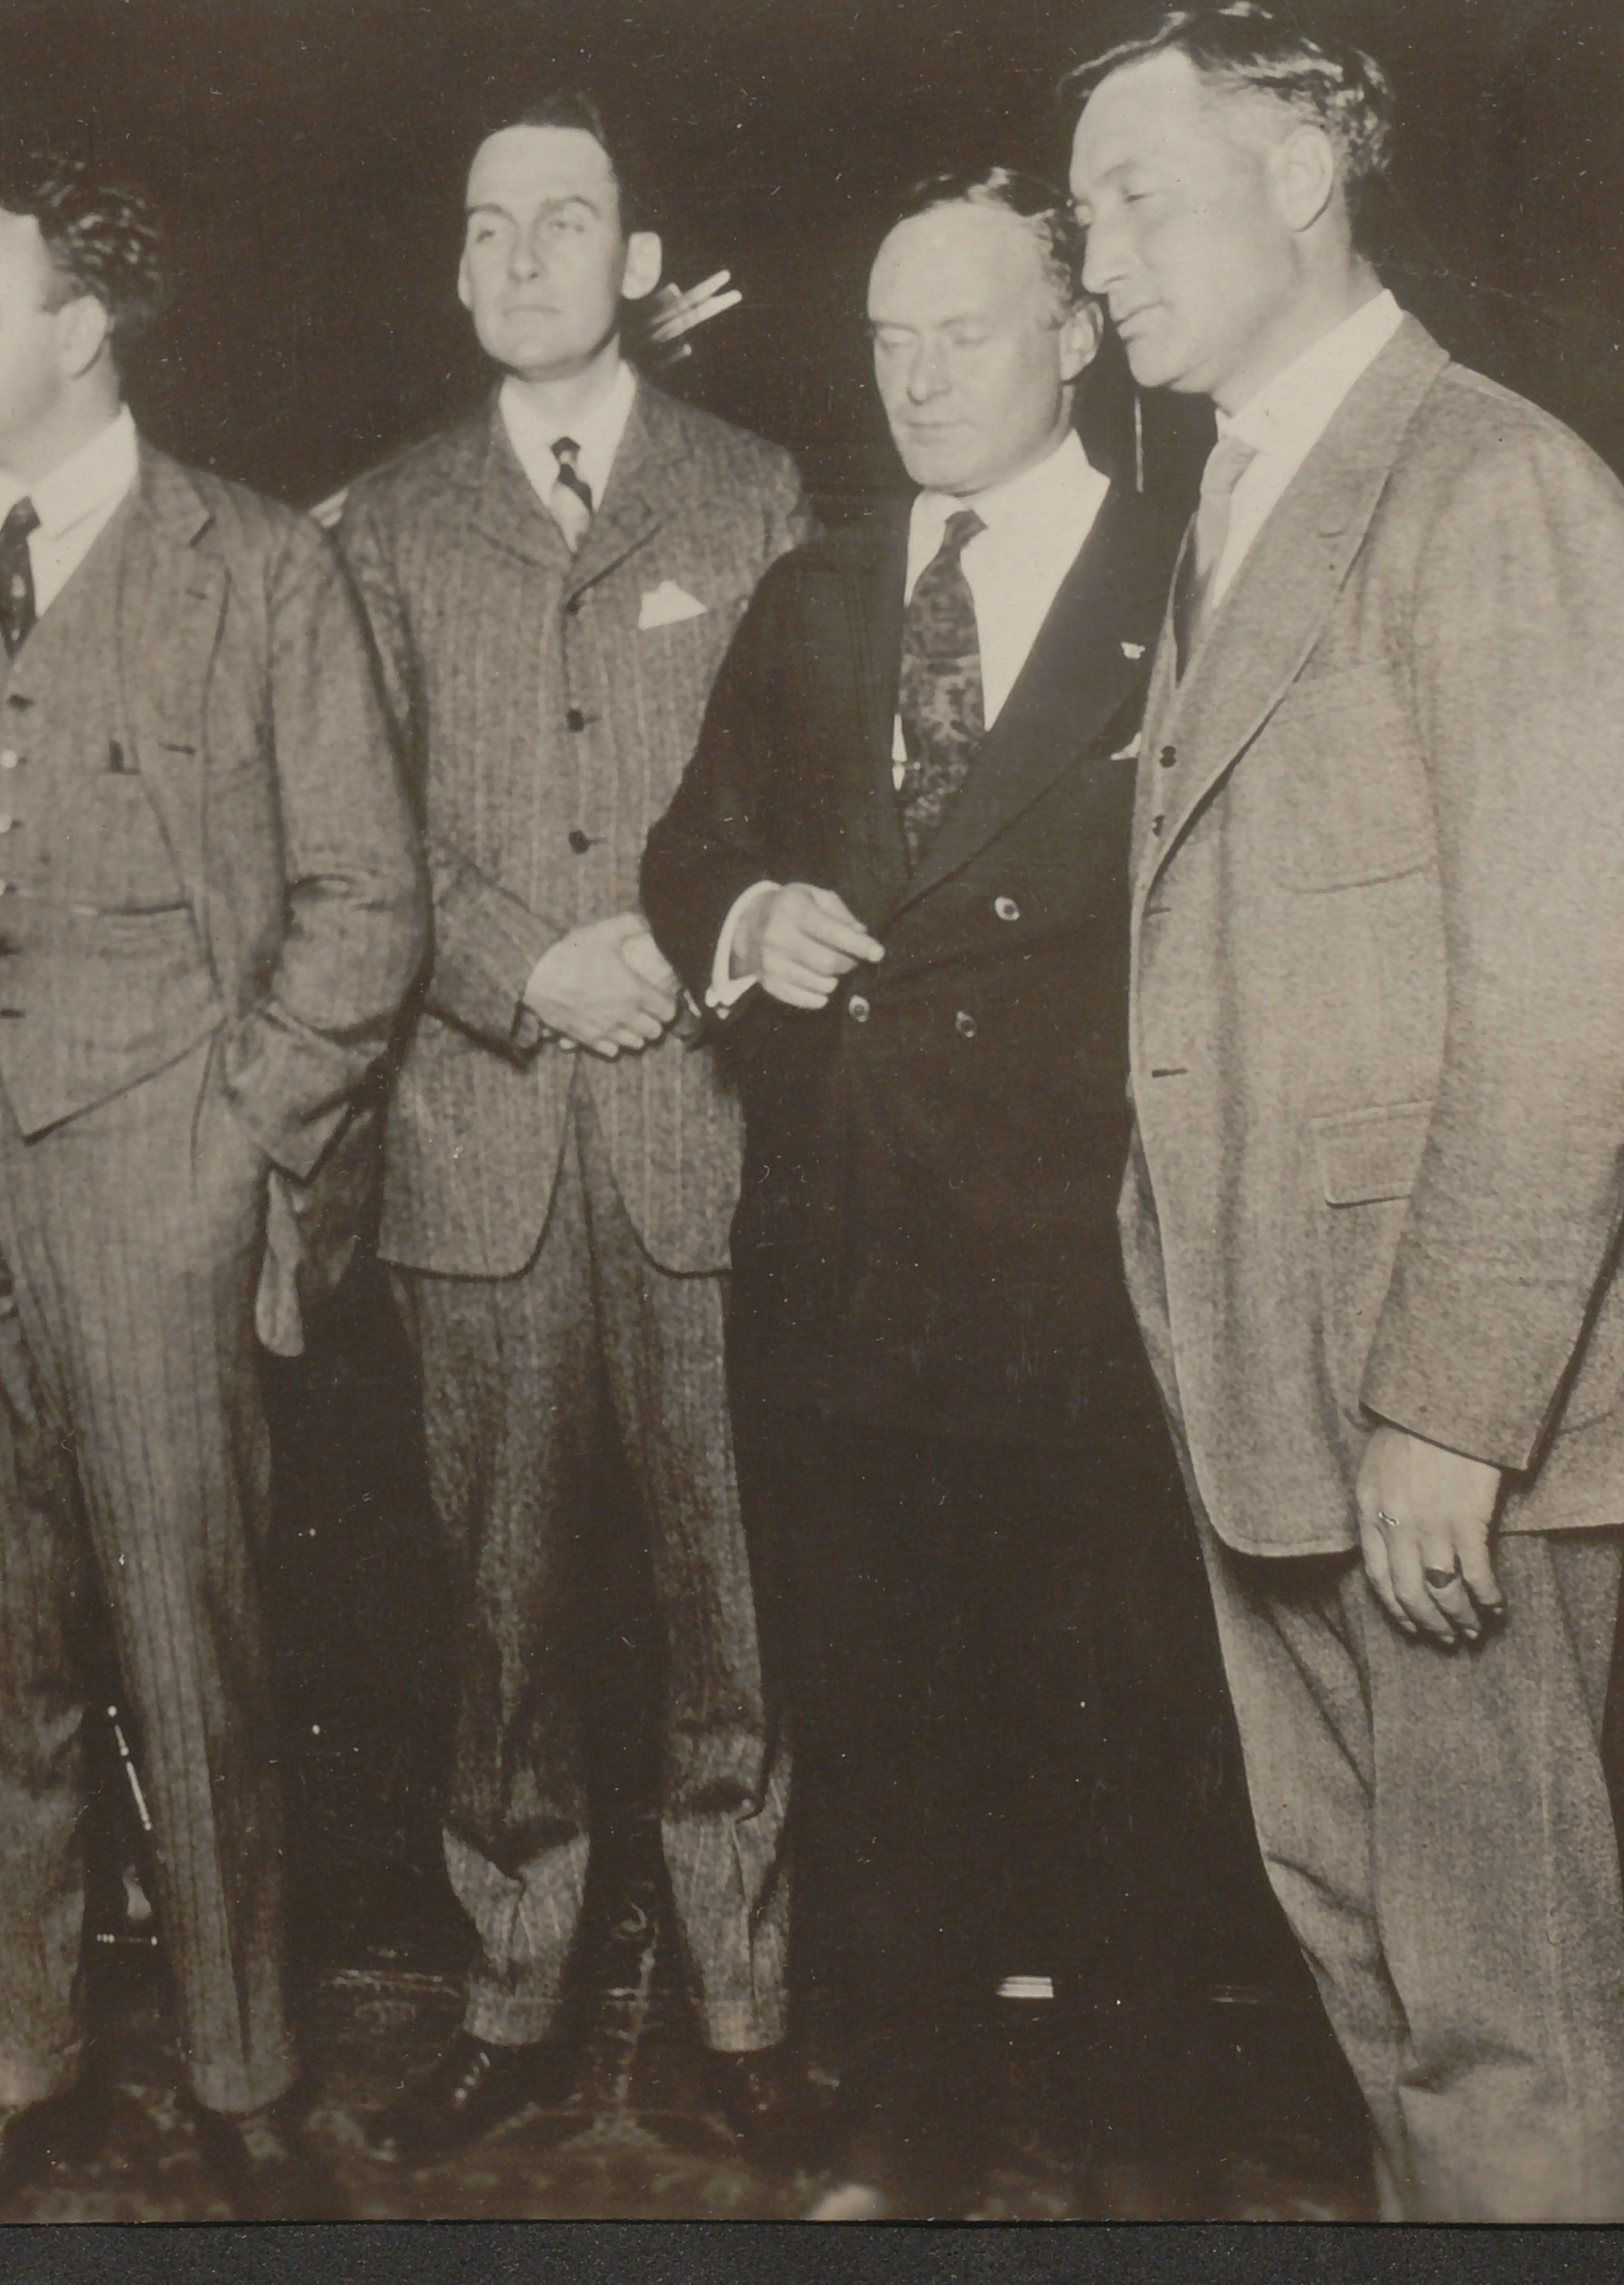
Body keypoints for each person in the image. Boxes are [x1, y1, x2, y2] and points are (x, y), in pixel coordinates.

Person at [1066, 2, 1624, 2221]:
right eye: (1078, 216)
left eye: (1132, 195)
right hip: (1278, 1386)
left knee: (1497, 2009)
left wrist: (1448, 1406)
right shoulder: (1241, 495)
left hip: (1444, 1413)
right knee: (1369, 1952)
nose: (1099, 260)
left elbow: (1572, 1006)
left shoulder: (1494, 484)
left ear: (1300, 174)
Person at [0, 155, 426, 2221]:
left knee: (188, 1633)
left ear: (81, 326)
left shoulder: (258, 568)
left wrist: (240, 1141)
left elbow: (366, 903)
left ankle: (242, 2063)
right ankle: (10, 2046)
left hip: (162, 1170)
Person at [642, 170, 1218, 2217]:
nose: (913, 374)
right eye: (885, 337)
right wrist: (749, 910)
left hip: (1090, 1279)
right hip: (838, 1271)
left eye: (958, 331)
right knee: (874, 1728)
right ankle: (905, 2120)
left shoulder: (1198, 570)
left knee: (1123, 1728)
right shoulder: (819, 586)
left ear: (1070, 337)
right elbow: (682, 850)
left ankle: (1144, 2145)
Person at [329, 93, 803, 2167]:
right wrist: (528, 967)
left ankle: (746, 2007)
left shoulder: (754, 490)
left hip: (706, 1136)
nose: (520, 253)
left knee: (734, 1602)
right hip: (479, 1145)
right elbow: (350, 842)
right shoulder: (381, 521)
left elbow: (801, 798)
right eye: (483, 223)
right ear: (454, 271)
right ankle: (511, 1999)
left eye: (567, 219)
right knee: (499, 1613)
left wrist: (682, 951)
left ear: (635, 260)